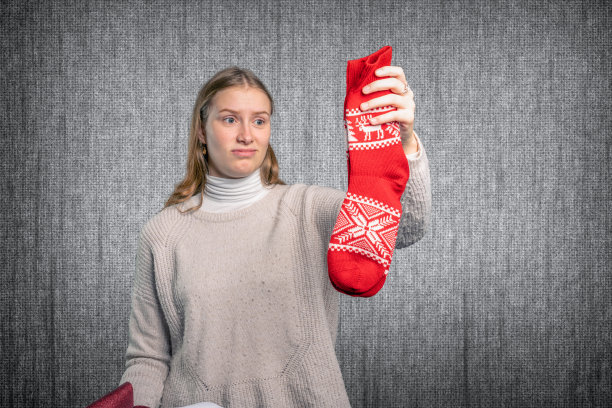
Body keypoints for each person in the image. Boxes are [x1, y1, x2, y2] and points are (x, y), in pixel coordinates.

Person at [119, 50, 431, 408]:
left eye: (260, 121)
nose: (247, 135)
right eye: (230, 119)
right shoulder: (162, 235)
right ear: (202, 132)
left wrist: (403, 143)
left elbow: (404, 227)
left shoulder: (307, 210)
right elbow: (147, 359)